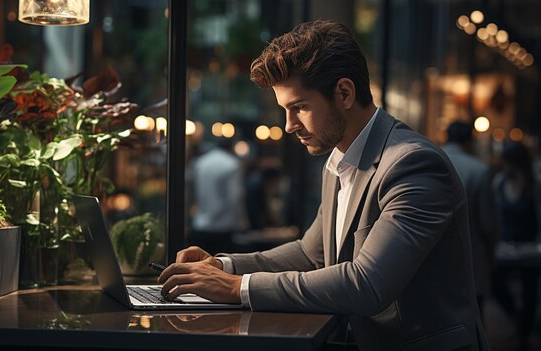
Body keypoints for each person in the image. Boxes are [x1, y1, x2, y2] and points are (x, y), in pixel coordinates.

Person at [158, 20, 489, 350]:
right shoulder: (337, 163)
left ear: (344, 93)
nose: (289, 126)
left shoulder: (413, 164)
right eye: (285, 110)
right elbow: (309, 253)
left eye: (300, 107)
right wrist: (222, 265)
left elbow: (367, 284)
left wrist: (236, 286)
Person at [441, 121, 499, 316]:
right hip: (470, 259)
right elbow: (488, 223)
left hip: (429, 259)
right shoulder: (479, 170)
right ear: (469, 141)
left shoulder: (426, 160)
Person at [491, 141, 540, 350]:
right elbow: (493, 215)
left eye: (507, 161)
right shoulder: (500, 182)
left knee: (530, 293)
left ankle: (524, 336)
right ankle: (517, 318)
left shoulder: (533, 186)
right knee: (496, 282)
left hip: (529, 248)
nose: (503, 165)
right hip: (505, 247)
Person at [188, 140, 247, 255]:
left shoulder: (200, 162)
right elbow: (235, 197)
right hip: (223, 228)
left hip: (200, 225)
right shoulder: (231, 163)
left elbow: (191, 192)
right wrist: (242, 223)